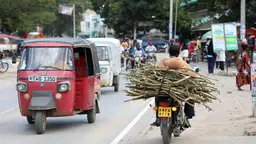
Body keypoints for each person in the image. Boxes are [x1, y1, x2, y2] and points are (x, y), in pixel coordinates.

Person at [151, 44, 195, 126]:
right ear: (179, 52)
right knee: (190, 93)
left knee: (157, 97)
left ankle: (157, 118)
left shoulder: (163, 61)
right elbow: (191, 74)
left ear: (169, 52)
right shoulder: (181, 62)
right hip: (178, 90)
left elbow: (156, 74)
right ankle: (188, 115)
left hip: (164, 89)